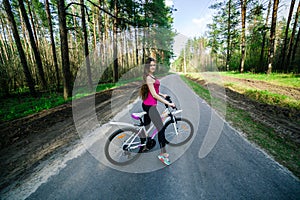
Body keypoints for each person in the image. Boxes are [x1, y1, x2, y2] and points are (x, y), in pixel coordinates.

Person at [139, 57, 175, 165]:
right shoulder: (149, 78)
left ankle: (144, 146)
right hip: (150, 106)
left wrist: (162, 95)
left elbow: (154, 91)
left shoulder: (151, 76)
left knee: (146, 126)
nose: (153, 67)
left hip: (147, 104)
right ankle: (163, 154)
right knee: (161, 128)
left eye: (154, 65)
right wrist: (168, 103)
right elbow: (153, 94)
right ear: (147, 67)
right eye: (151, 65)